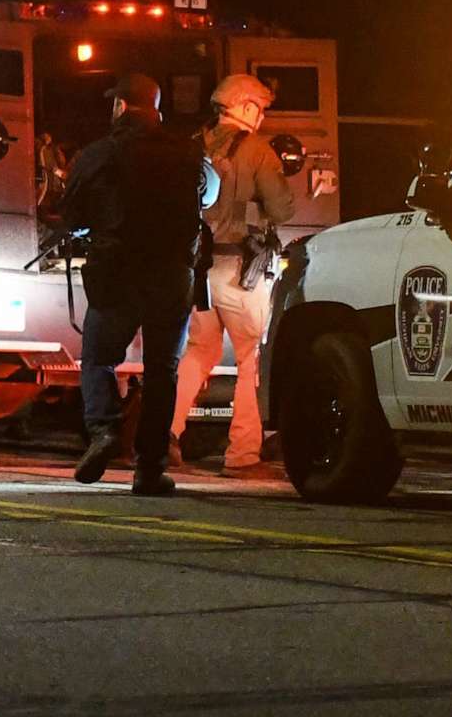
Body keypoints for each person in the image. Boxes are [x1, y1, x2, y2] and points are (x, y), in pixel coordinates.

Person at [66, 73, 218, 495]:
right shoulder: (188, 153)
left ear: (119, 107)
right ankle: (149, 469)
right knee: (162, 372)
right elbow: (208, 198)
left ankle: (103, 431)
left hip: (118, 273)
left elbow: (72, 210)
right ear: (157, 110)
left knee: (98, 360)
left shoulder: (100, 154)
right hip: (172, 278)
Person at [170, 72, 297, 477]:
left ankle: (163, 436)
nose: (261, 117)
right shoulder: (258, 151)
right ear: (243, 107)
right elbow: (282, 211)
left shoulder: (193, 148)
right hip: (240, 270)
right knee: (251, 358)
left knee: (198, 352)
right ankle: (243, 454)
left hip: (197, 269)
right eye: (258, 108)